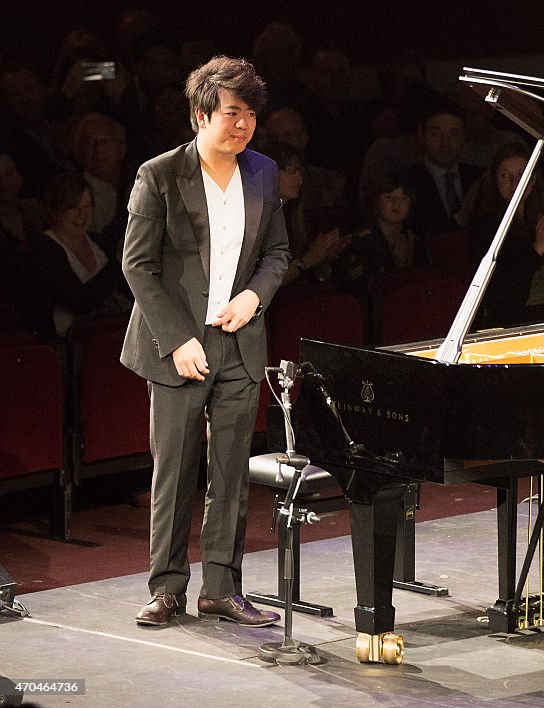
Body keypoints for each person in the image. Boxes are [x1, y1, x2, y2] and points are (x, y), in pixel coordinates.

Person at [120, 56, 290, 628]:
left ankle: (222, 587)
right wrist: (175, 340)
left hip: (239, 344)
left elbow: (278, 253)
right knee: (174, 471)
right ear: (201, 115)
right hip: (178, 347)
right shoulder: (160, 175)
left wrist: (254, 298)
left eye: (250, 115)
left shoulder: (263, 171)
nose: (242, 125)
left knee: (232, 473)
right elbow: (138, 266)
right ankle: (166, 588)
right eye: (231, 113)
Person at [468, 141, 544, 326]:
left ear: (533, 180)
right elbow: (498, 290)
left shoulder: (540, 218)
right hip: (513, 322)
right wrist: (536, 251)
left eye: (522, 175)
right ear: (495, 180)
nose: (515, 183)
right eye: (506, 176)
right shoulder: (486, 225)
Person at [19, 172, 130, 339]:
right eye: (73, 207)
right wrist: (117, 263)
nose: (82, 214)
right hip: (64, 347)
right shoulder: (42, 251)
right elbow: (78, 300)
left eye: (87, 206)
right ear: (55, 210)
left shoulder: (100, 243)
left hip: (110, 338)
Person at [261, 141, 348, 288]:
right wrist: (308, 260)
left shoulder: (292, 216)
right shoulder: (254, 221)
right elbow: (263, 283)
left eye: (300, 170)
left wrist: (322, 257)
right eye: (290, 170)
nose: (299, 177)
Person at [404, 96, 481, 241]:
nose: (445, 143)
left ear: (464, 136)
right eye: (435, 134)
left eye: (454, 134)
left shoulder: (478, 177)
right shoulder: (407, 182)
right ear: (421, 134)